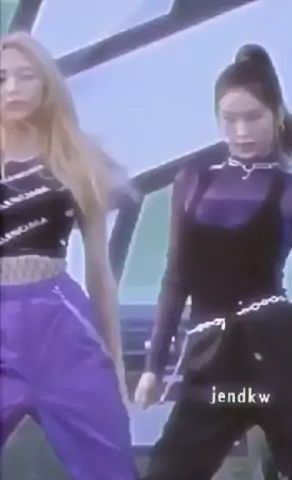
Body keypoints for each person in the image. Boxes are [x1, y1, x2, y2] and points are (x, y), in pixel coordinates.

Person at [135, 44, 292, 479]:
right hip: (217, 378)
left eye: (253, 117)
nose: (242, 131)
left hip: (279, 373)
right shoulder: (193, 182)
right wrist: (154, 366)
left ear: (277, 114)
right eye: (230, 119)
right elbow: (176, 277)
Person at [0, 32, 137, 479]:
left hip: (60, 325)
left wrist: (117, 367)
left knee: (110, 465)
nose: (14, 88)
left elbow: (100, 270)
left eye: (26, 76)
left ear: (46, 84)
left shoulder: (74, 160)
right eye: (2, 78)